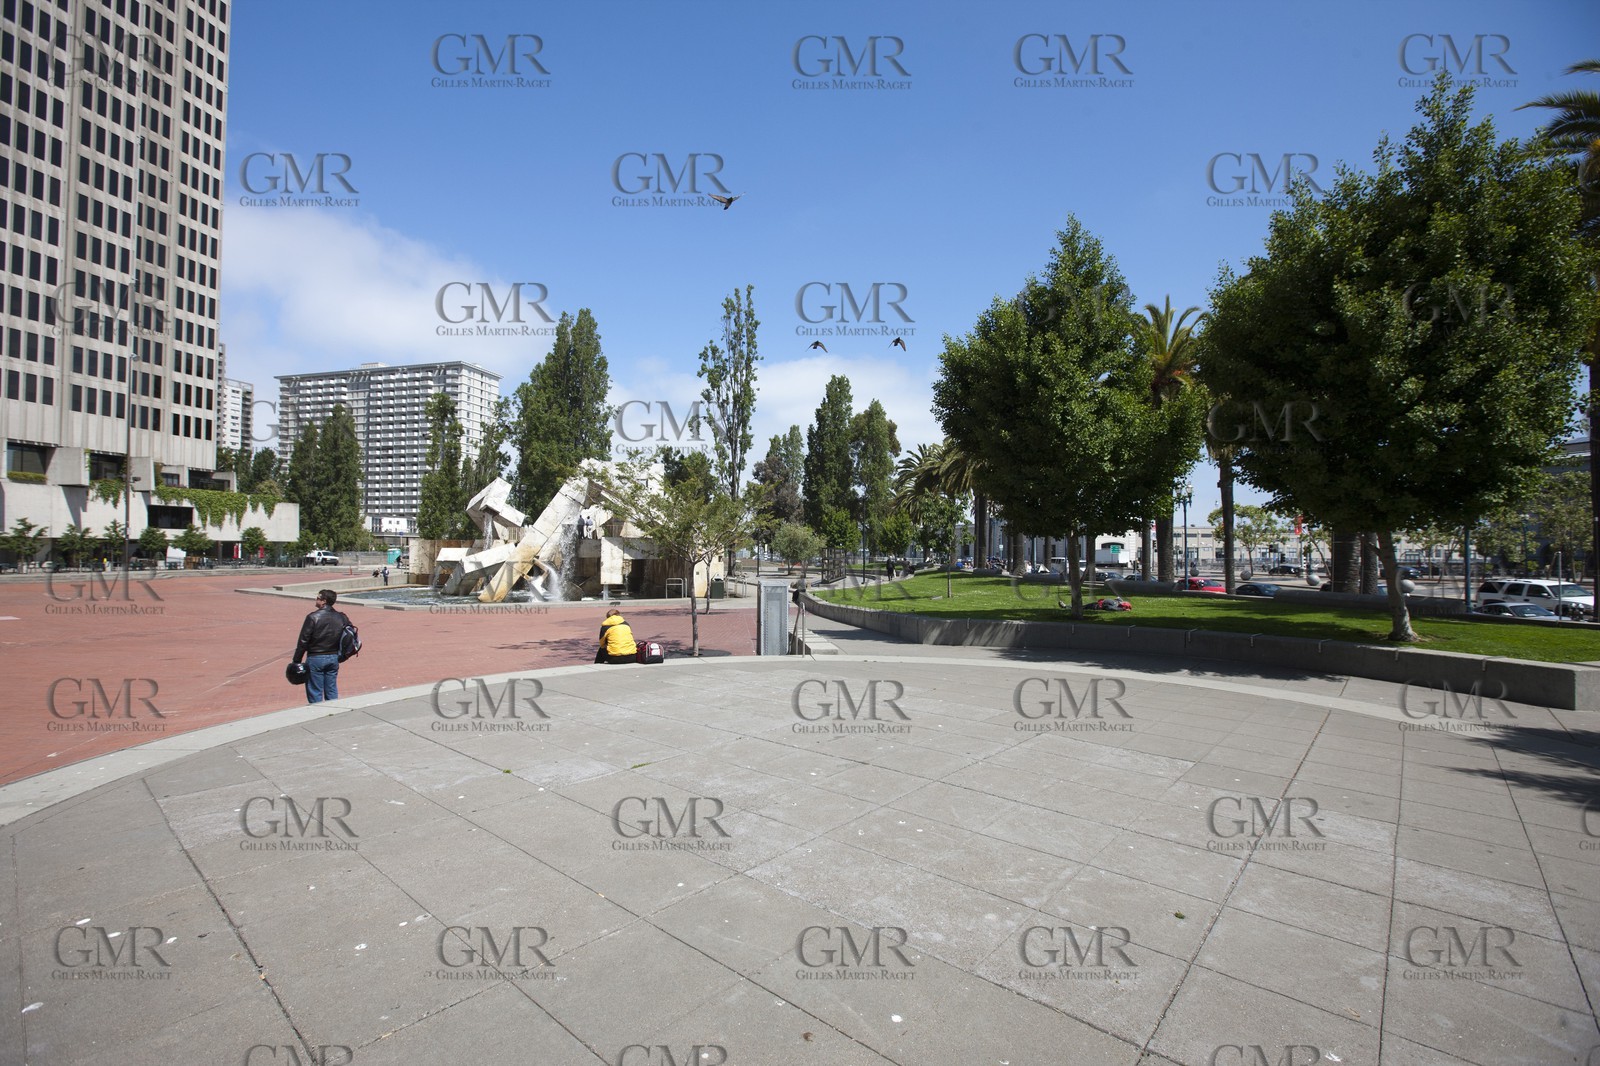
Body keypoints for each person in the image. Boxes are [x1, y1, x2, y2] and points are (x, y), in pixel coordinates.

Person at [293, 589, 350, 702]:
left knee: (315, 691)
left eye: (318, 598)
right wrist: (343, 655)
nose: (316, 600)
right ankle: (334, 710)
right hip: (333, 657)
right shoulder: (341, 617)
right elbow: (349, 636)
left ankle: (317, 711)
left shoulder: (312, 617)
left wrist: (297, 660)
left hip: (315, 657)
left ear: (324, 601)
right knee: (331, 690)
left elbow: (303, 641)